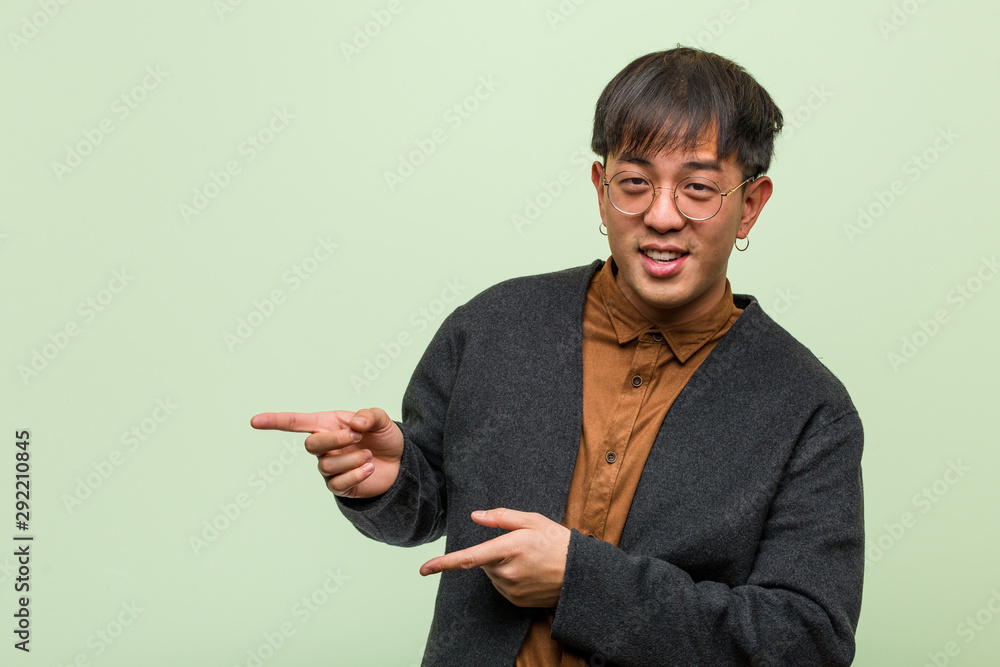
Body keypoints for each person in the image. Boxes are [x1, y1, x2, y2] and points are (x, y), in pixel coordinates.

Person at [251, 46, 864, 666]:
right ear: (601, 190)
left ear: (750, 205)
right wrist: (387, 479)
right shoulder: (493, 327)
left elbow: (807, 642)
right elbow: (427, 509)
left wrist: (584, 582)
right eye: (635, 183)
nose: (661, 216)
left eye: (699, 189)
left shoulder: (808, 406)